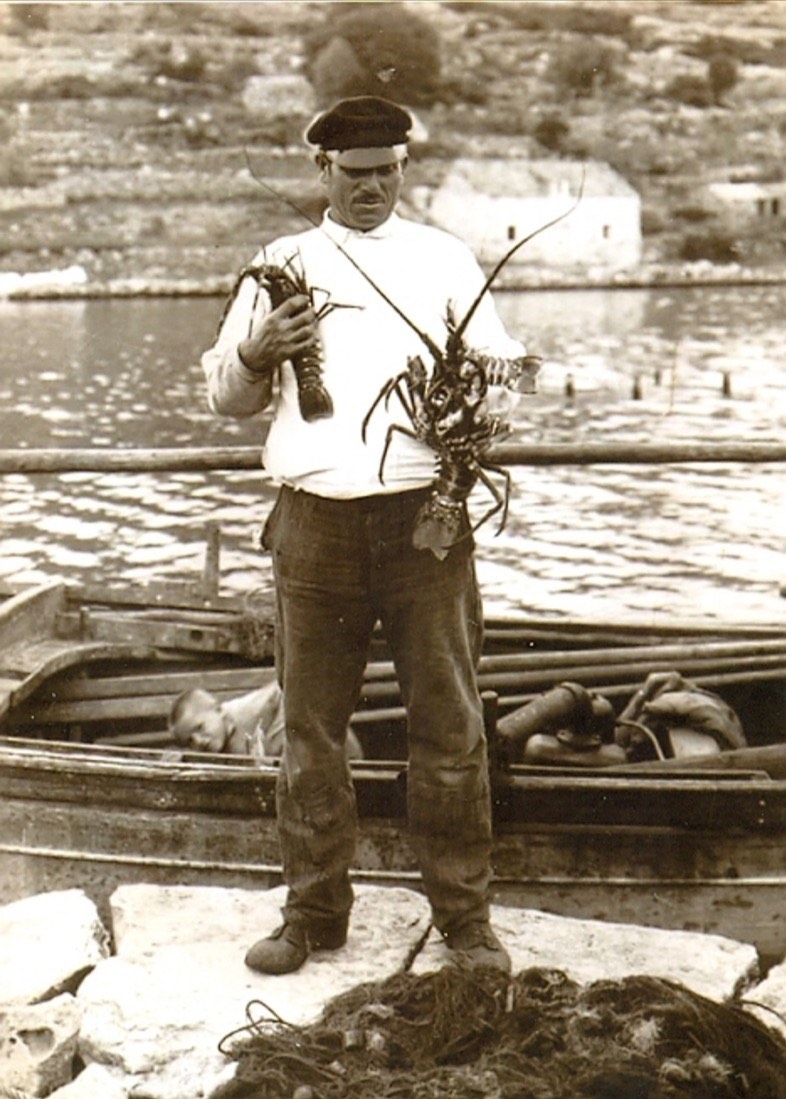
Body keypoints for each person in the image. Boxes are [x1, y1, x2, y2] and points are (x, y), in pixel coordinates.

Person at [201, 95, 537, 976]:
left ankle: (466, 921)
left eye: (387, 173)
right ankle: (313, 914)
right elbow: (226, 401)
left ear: (403, 170)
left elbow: (505, 381)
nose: (372, 190)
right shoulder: (279, 261)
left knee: (450, 723)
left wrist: (486, 396)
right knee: (309, 728)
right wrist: (257, 350)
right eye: (354, 176)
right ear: (322, 173)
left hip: (426, 522)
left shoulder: (444, 258)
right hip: (313, 526)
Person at [168, 680, 363, 761]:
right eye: (190, 741)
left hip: (335, 754)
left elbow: (290, 690)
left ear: (218, 710)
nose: (199, 741)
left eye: (200, 728)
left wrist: (274, 749)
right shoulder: (216, 742)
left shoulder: (250, 710)